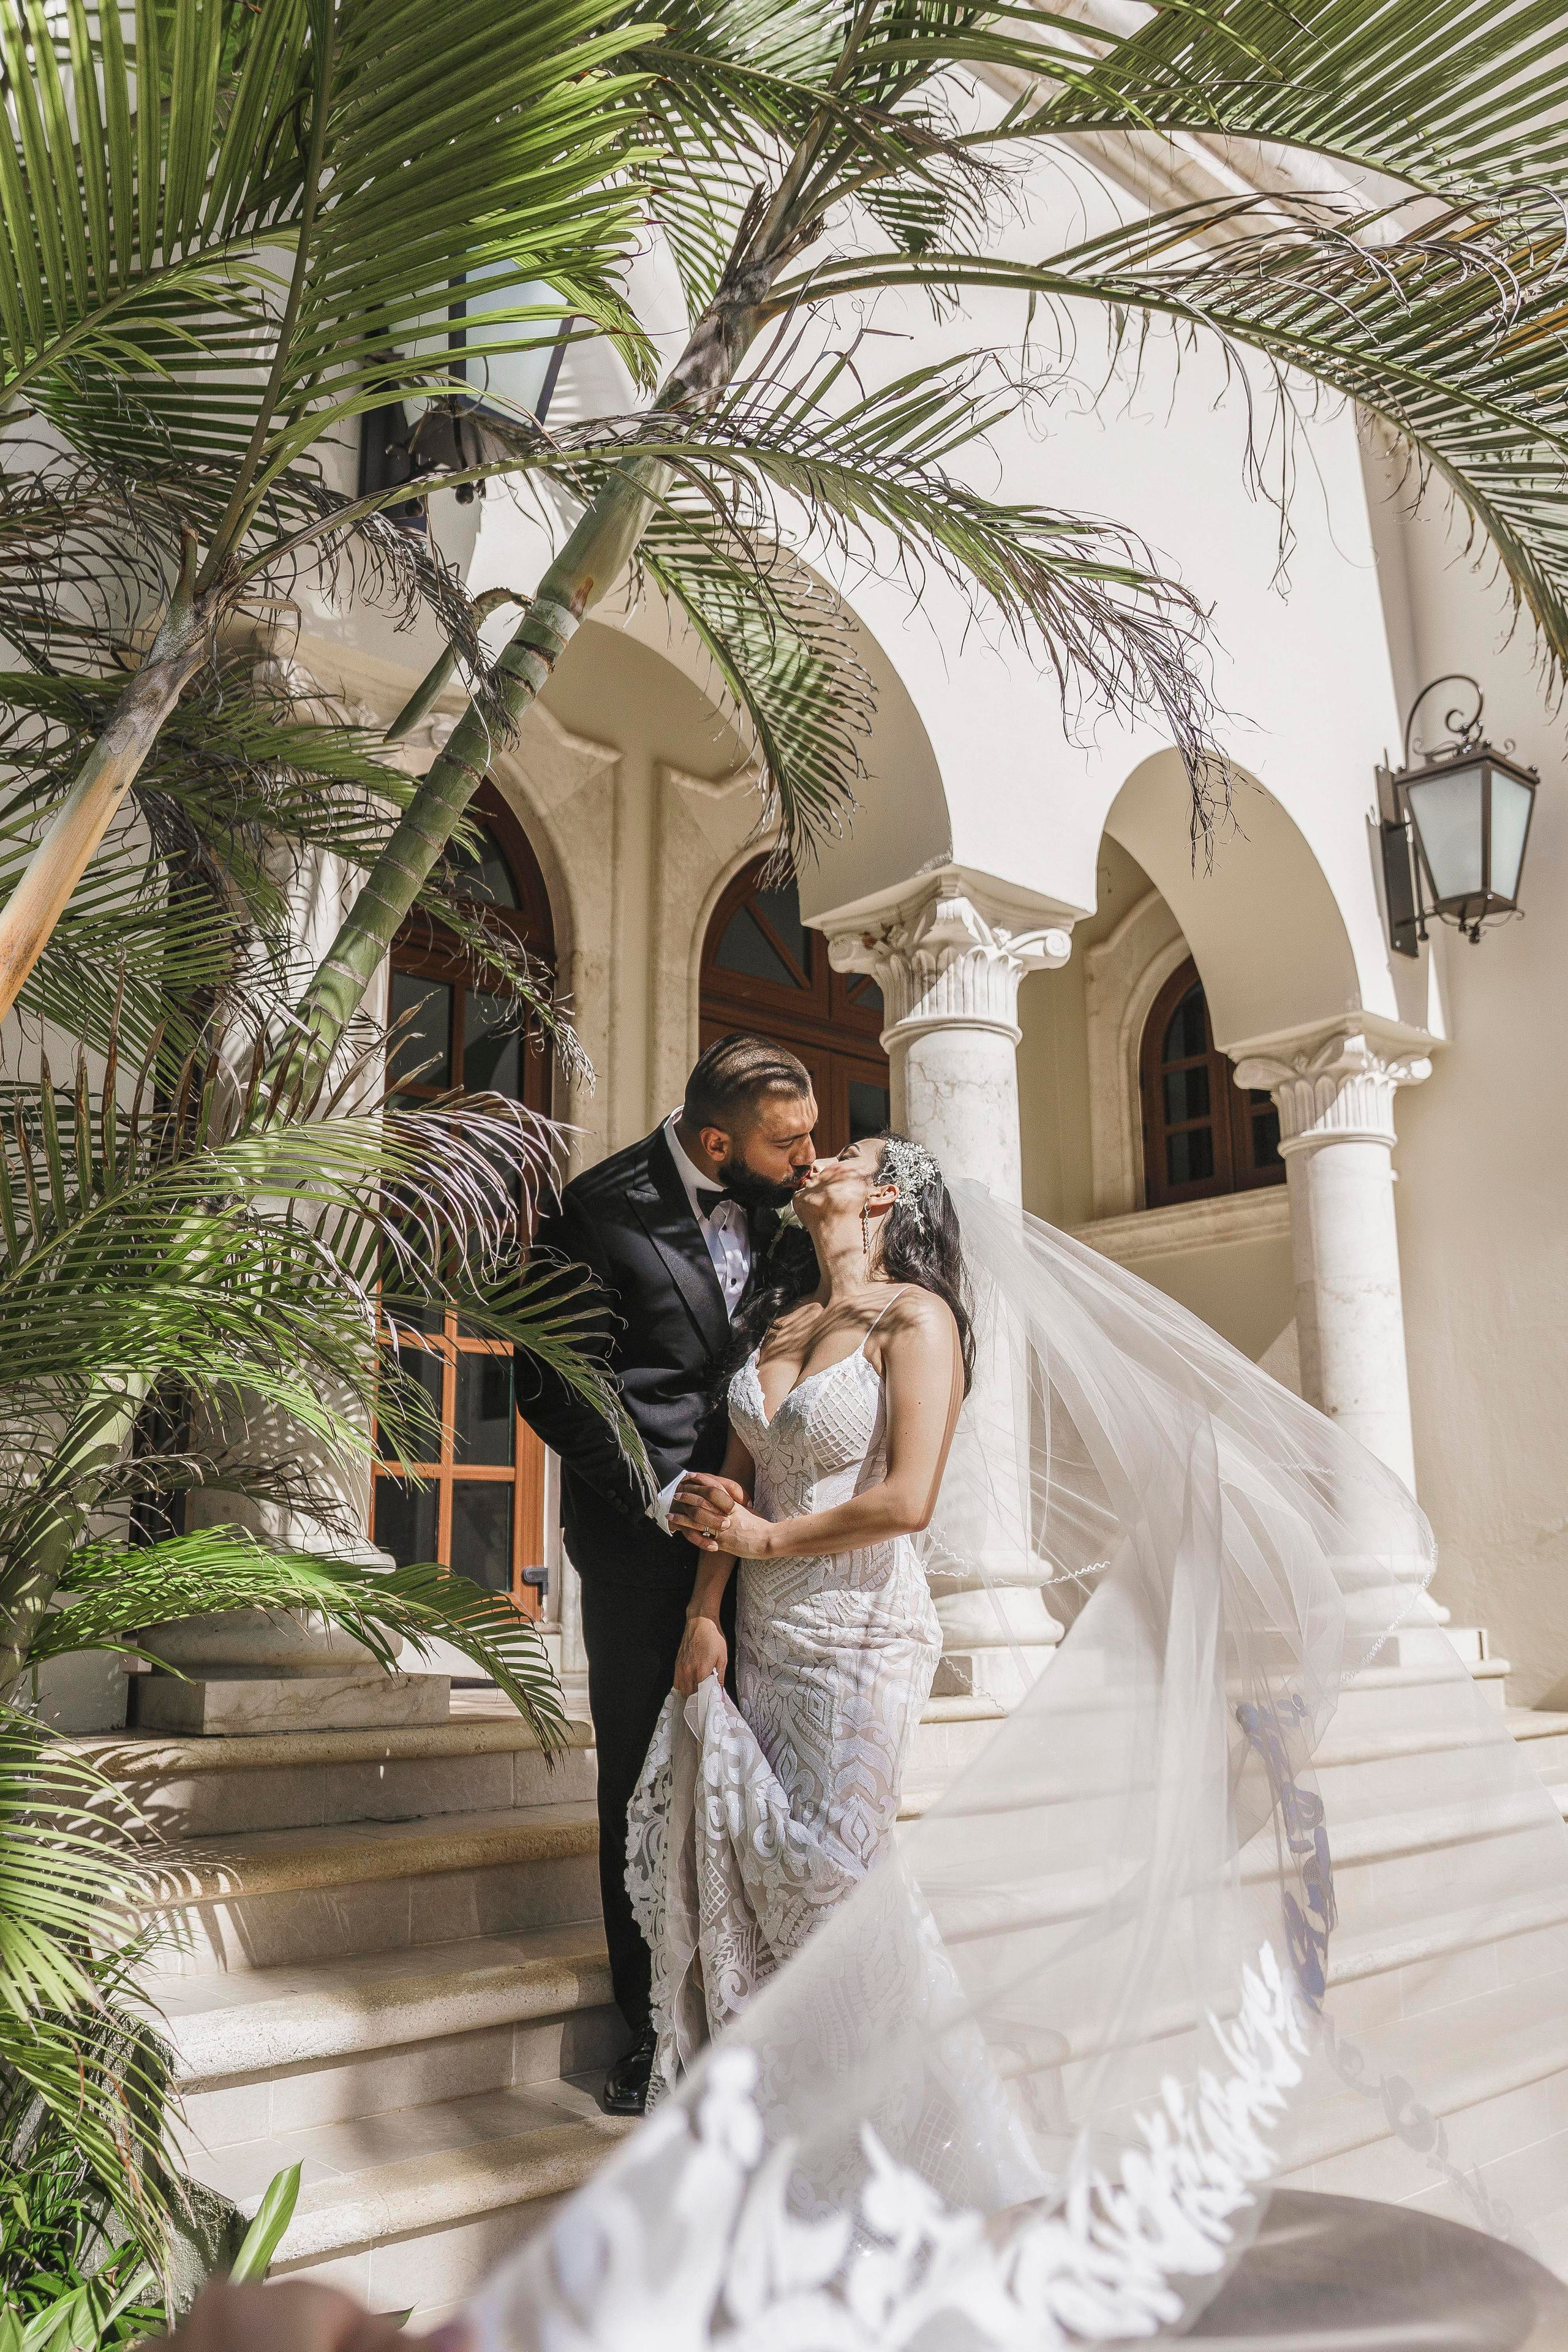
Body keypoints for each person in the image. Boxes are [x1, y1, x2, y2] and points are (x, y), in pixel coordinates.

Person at [624, 1131, 966, 2100]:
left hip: (862, 1633)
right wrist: (705, 1616)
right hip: (764, 1634)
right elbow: (732, 1487)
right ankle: (782, 2089)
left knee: (836, 1875)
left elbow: (908, 1502)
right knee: (762, 1858)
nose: (816, 1158)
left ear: (885, 1197)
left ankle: (897, 2100)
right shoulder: (780, 1321)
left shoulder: (916, 1319)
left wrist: (767, 1545)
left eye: (846, 1154)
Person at [517, 1031, 818, 2116]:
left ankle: (752, 2013)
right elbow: (553, 1382)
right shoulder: (599, 1208)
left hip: (772, 1543)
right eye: (789, 1142)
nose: (810, 1156)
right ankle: (649, 2030)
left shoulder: (791, 1206)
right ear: (712, 1140)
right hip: (644, 1546)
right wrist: (655, 1493)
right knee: (646, 1783)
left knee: (757, 1780)